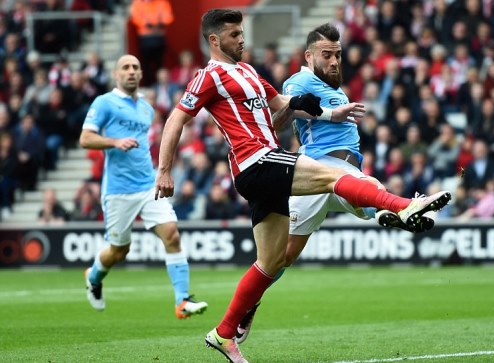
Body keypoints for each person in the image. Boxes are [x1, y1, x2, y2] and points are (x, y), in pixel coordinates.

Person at [153, 10, 451, 363]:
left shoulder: (248, 72)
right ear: (215, 40)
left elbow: (280, 105)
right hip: (255, 160)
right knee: (333, 178)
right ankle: (403, 205)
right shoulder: (208, 76)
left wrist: (311, 109)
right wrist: (164, 170)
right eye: (234, 35)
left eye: (242, 33)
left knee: (272, 262)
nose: (242, 40)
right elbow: (176, 119)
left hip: (267, 162)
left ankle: (224, 333)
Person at [233, 23, 442, 346]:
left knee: (285, 257)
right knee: (284, 253)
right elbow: (284, 114)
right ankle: (398, 209)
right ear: (309, 56)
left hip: (340, 173)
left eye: (338, 55)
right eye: (327, 55)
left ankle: (392, 212)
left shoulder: (336, 87)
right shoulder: (300, 80)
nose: (334, 61)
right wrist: (326, 113)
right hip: (318, 168)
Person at [80, 54, 208, 319]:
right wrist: (115, 142)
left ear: (140, 75)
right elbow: (85, 138)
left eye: (135, 67)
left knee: (171, 234)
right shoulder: (104, 103)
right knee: (119, 250)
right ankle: (93, 276)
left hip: (148, 185)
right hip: (118, 190)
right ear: (116, 74)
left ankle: (182, 302)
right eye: (125, 67)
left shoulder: (147, 109)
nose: (130, 71)